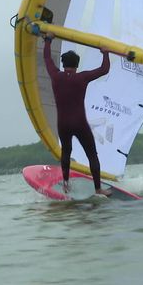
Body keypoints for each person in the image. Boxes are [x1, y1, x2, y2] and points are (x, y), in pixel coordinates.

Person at [43, 32, 112, 197]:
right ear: (77, 65)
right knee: (91, 155)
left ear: (63, 63)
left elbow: (47, 59)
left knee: (66, 152)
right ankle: (98, 189)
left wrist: (48, 40)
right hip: (79, 123)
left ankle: (66, 185)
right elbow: (104, 69)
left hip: (63, 123)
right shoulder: (82, 77)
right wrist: (105, 52)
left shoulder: (55, 76)